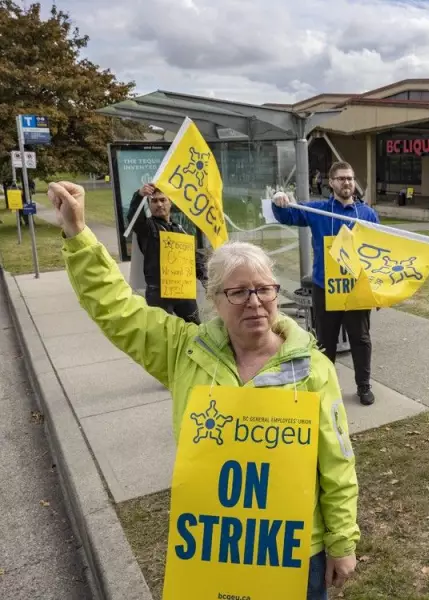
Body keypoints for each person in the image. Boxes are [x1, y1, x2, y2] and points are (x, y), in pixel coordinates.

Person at [48, 180, 360, 599]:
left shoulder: (312, 367)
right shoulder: (183, 351)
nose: (255, 301)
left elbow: (337, 462)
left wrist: (341, 544)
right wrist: (78, 234)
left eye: (264, 289)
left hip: (295, 552)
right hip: (214, 549)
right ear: (214, 299)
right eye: (238, 291)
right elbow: (117, 309)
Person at [272, 162, 380, 406]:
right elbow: (288, 214)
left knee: (360, 339)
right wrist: (278, 200)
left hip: (356, 289)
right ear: (331, 182)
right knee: (325, 340)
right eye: (341, 178)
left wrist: (376, 290)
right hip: (325, 286)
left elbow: (379, 252)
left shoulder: (367, 214)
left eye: (350, 178)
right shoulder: (319, 210)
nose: (347, 183)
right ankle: (326, 385)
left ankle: (364, 386)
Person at [126, 183, 207, 324]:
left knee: (195, 329)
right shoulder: (147, 228)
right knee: (161, 334)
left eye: (163, 200)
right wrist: (139, 195)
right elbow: (134, 219)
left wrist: (207, 280)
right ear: (149, 205)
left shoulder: (180, 229)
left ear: (170, 203)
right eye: (154, 201)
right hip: (158, 294)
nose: (159, 204)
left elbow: (192, 258)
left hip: (183, 291)